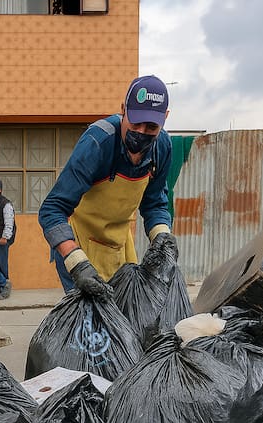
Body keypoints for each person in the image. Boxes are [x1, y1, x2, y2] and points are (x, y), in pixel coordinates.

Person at [38, 74, 177, 298]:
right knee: (91, 326)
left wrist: (162, 237)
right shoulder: (98, 143)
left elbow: (154, 204)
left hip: (119, 246)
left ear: (165, 119)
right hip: (79, 246)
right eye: (135, 122)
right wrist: (76, 262)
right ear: (123, 109)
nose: (141, 132)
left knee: (127, 321)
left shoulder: (162, 147)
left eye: (151, 126)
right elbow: (52, 209)